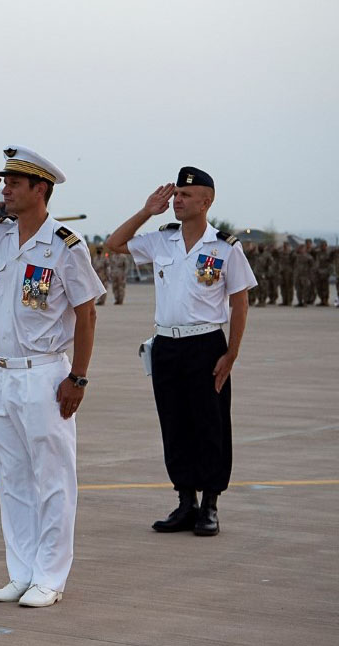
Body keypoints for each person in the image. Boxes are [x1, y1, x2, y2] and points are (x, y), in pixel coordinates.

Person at [0, 146, 103, 608]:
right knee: (12, 479)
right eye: (4, 182)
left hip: (46, 374)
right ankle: (21, 571)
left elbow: (87, 314)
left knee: (53, 480)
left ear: (40, 189)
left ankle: (50, 576)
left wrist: (79, 378)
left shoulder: (66, 245)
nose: (4, 190)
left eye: (13, 183)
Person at [105, 166, 256, 538]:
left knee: (211, 425)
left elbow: (240, 303)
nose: (177, 200)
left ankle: (210, 505)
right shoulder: (162, 240)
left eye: (185, 196)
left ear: (206, 201)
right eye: (175, 195)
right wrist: (146, 212)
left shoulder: (224, 247)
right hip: (167, 346)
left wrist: (231, 354)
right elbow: (114, 244)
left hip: (206, 345)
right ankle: (185, 501)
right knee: (175, 425)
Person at [293, 242, 314, 307]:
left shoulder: (309, 257)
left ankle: (305, 302)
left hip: (305, 275)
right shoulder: (296, 256)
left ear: (305, 249)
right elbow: (291, 262)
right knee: (298, 289)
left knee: (305, 289)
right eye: (300, 248)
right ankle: (300, 302)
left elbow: (312, 265)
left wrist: (310, 275)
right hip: (297, 275)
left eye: (302, 248)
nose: (301, 250)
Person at [313, 240, 332, 306]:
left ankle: (325, 300)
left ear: (326, 246)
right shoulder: (318, 253)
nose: (322, 247)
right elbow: (316, 262)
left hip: (325, 272)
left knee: (325, 288)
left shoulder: (329, 253)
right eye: (321, 246)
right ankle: (322, 300)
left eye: (324, 246)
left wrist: (328, 272)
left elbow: (330, 264)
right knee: (319, 287)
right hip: (318, 272)